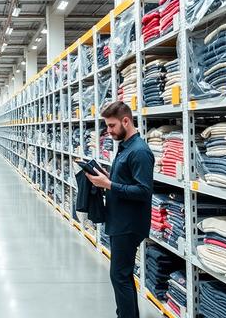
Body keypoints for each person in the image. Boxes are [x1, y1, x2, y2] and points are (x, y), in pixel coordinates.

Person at [85, 101, 154, 318]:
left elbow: (144, 191)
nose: (109, 131)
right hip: (119, 220)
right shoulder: (125, 147)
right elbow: (126, 180)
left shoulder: (140, 151)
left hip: (129, 223)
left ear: (126, 121)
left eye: (112, 125)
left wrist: (109, 184)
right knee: (121, 275)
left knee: (119, 275)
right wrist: (106, 176)